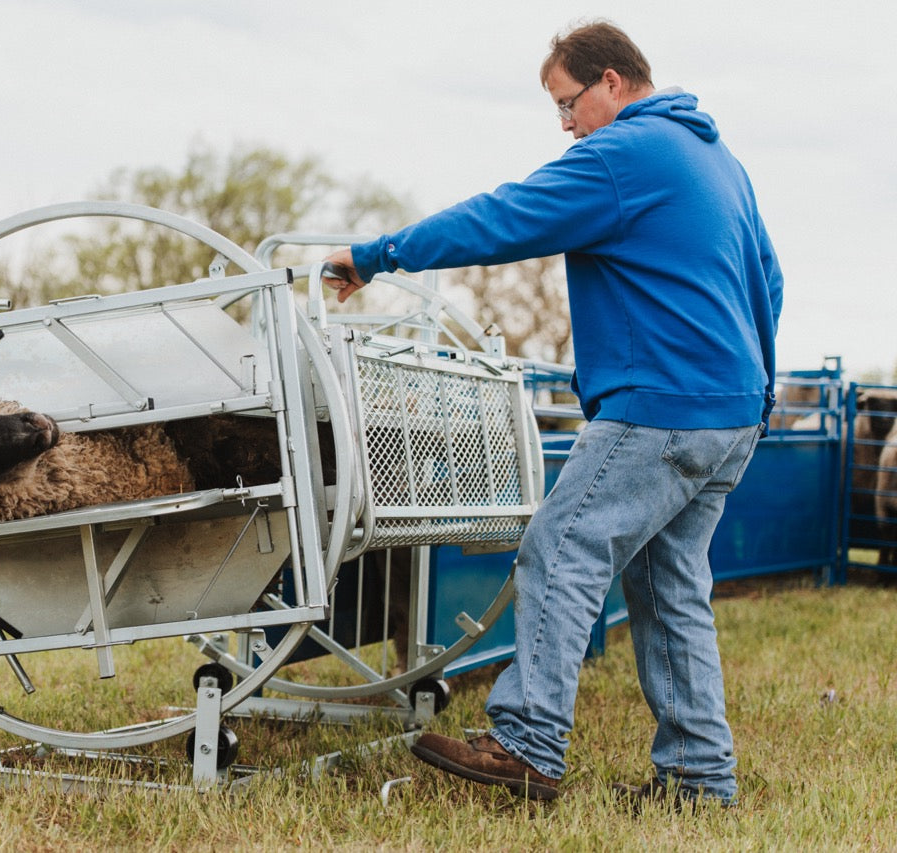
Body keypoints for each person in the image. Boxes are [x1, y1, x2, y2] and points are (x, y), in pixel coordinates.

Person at [324, 20, 782, 806]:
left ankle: (529, 742)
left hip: (660, 406)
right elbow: (767, 280)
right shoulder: (717, 159)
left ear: (612, 82)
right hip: (728, 410)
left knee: (560, 547)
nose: (566, 125)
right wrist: (760, 392)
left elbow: (503, 218)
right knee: (671, 589)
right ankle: (701, 777)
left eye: (569, 103)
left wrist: (375, 255)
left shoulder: (622, 156)